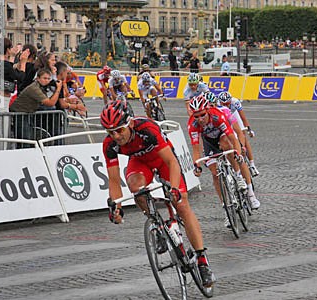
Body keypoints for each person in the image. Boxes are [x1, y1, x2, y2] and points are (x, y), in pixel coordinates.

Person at [100, 100, 215, 287]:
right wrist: (117, 207)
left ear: (129, 123)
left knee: (182, 205)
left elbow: (171, 162)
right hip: (140, 163)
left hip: (163, 161)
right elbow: (113, 180)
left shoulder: (146, 129)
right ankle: (157, 225)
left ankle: (202, 260)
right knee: (135, 186)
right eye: (110, 132)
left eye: (119, 130)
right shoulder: (109, 145)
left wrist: (176, 189)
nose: (116, 136)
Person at [187, 95, 257, 228]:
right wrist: (197, 166)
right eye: (196, 116)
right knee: (215, 173)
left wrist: (238, 153)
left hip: (223, 135)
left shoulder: (217, 116)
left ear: (207, 110)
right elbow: (196, 148)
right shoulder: (193, 124)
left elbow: (233, 137)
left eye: (202, 115)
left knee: (226, 145)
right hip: (209, 142)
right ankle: (226, 209)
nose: (200, 119)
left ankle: (237, 175)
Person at [218, 91, 260, 177]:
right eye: (224, 104)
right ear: (220, 102)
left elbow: (243, 117)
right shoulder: (218, 105)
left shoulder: (235, 102)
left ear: (231, 101)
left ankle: (252, 165)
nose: (226, 105)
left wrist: (249, 129)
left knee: (243, 135)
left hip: (233, 115)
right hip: (224, 116)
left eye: (228, 103)